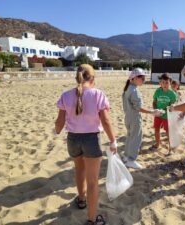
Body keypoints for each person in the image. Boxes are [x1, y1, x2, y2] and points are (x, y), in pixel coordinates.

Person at [55, 64, 117, 225]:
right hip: (91, 139)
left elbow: (60, 122)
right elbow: (106, 120)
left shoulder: (66, 95)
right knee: (92, 180)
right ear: (93, 78)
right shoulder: (98, 94)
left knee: (79, 170)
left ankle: (81, 199)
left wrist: (55, 132)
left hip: (73, 139)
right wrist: (113, 140)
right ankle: (92, 219)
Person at [122, 68, 161, 169]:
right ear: (134, 78)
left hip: (128, 116)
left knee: (130, 137)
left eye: (144, 78)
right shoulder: (134, 90)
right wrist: (152, 112)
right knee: (136, 138)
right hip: (134, 117)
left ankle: (126, 156)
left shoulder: (128, 88)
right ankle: (131, 159)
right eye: (142, 78)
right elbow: (138, 108)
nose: (143, 80)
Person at [151, 73, 177, 155]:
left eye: (166, 82)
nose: (165, 84)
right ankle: (157, 144)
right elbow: (154, 102)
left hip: (167, 116)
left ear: (170, 83)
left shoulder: (172, 93)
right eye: (163, 82)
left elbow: (171, 105)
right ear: (160, 83)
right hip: (158, 115)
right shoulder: (158, 91)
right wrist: (155, 109)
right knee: (156, 129)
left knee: (168, 132)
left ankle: (171, 148)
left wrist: (164, 111)